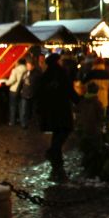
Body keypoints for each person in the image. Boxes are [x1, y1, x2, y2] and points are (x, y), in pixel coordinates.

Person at [37, 52, 79, 180]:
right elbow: (69, 91)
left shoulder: (45, 76)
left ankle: (57, 165)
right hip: (61, 110)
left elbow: (40, 95)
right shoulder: (61, 75)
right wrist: (80, 101)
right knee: (63, 133)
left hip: (50, 112)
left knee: (57, 135)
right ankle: (53, 154)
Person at [1, 58, 27, 126]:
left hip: (14, 90)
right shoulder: (26, 69)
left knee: (12, 106)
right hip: (23, 90)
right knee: (21, 106)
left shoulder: (15, 70)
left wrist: (4, 82)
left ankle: (12, 121)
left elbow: (11, 80)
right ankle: (22, 121)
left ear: (18, 62)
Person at [18, 55, 41, 129]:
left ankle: (35, 124)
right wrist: (19, 91)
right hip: (25, 94)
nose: (27, 67)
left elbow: (38, 84)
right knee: (24, 110)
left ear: (33, 66)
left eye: (29, 65)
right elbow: (21, 82)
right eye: (27, 65)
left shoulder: (37, 74)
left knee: (34, 110)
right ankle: (24, 124)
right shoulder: (25, 73)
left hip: (33, 95)